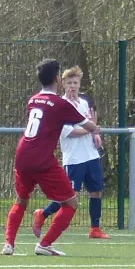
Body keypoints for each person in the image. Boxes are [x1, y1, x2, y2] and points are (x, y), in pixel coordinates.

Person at [0, 59, 99, 256]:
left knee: (21, 200)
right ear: (56, 78)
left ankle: (9, 244)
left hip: (22, 155)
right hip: (43, 159)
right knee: (71, 203)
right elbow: (90, 127)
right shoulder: (60, 104)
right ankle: (45, 244)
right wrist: (94, 125)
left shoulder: (33, 99)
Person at [32, 66, 110, 240]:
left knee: (96, 191)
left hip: (91, 156)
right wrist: (90, 129)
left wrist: (96, 135)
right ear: (63, 83)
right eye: (69, 83)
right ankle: (43, 214)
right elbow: (69, 132)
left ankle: (95, 228)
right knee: (69, 196)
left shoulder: (84, 103)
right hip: (74, 158)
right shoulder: (60, 104)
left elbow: (91, 123)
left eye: (75, 82)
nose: (72, 86)